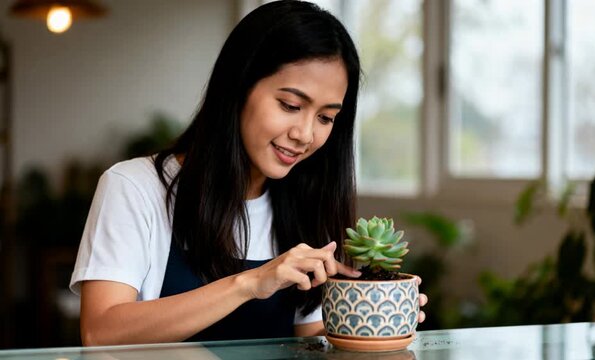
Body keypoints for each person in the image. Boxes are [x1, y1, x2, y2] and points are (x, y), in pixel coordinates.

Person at [70, 0, 428, 346]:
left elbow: (311, 340)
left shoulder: (307, 201)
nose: (304, 134)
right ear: (238, 87)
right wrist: (250, 283)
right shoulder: (135, 187)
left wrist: (370, 324)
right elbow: (101, 332)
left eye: (325, 117)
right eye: (290, 105)